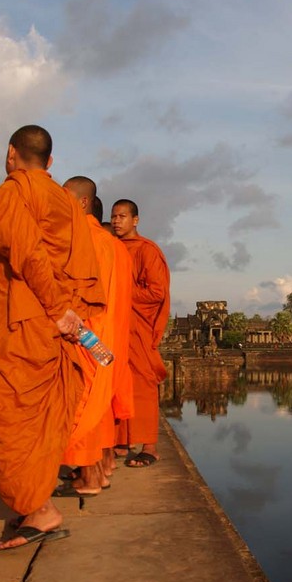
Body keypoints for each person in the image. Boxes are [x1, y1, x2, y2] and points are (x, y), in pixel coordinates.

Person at [0, 125, 105, 551]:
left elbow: (26, 250)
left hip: (24, 323)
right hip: (53, 328)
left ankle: (39, 508)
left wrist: (55, 307)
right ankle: (36, 501)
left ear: (11, 153)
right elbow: (84, 268)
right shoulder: (67, 202)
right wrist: (70, 314)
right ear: (50, 162)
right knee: (40, 420)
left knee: (6, 416)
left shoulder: (13, 190)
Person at [55, 177, 133, 496]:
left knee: (80, 402)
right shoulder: (112, 244)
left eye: (65, 198)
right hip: (107, 334)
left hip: (86, 333)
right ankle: (98, 472)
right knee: (96, 405)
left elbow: (79, 293)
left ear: (82, 202)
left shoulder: (82, 238)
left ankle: (89, 479)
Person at [110, 199, 170, 467]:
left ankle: (149, 446)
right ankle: (121, 443)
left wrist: (121, 293)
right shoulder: (111, 247)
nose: (116, 221)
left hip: (137, 328)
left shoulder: (146, 250)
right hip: (115, 328)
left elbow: (156, 292)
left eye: (122, 216)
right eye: (113, 217)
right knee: (116, 383)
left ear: (135, 220)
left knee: (143, 386)